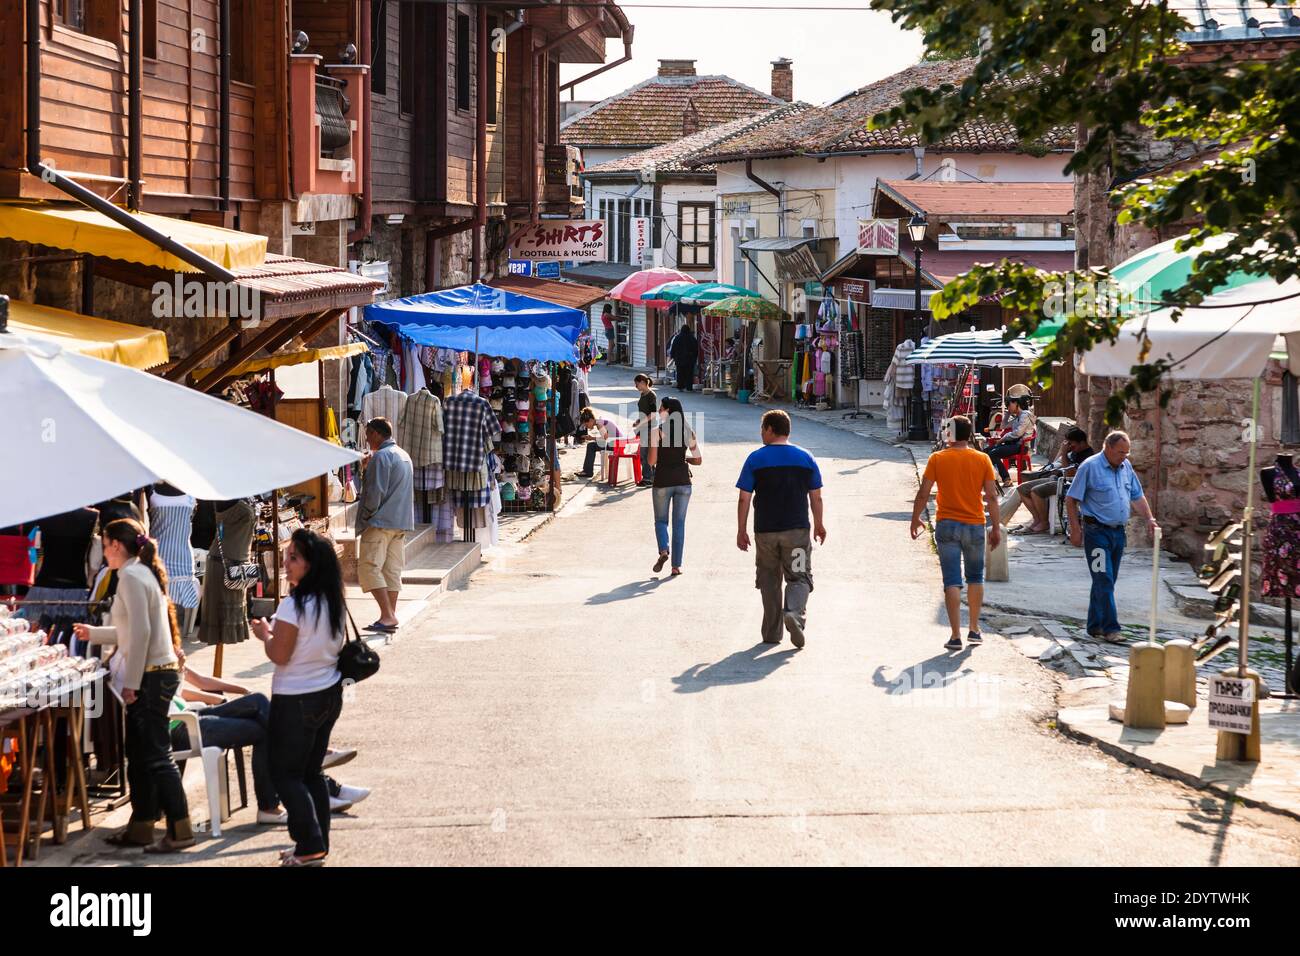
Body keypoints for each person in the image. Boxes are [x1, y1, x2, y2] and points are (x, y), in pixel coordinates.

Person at [74, 518, 195, 853]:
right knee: (139, 755)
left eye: (104, 542)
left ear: (116, 545)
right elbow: (132, 631)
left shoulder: (129, 575)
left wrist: (133, 683)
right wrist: (94, 633)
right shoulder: (138, 573)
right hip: (156, 671)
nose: (102, 551)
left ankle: (180, 828)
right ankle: (141, 825)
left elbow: (140, 633)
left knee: (155, 755)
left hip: (152, 674)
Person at [250, 528, 346, 867]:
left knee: (285, 774)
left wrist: (265, 634)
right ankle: (315, 845)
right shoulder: (332, 601)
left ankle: (308, 845)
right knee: (310, 773)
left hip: (297, 698)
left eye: (294, 558)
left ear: (311, 565)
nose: (286, 564)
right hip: (328, 694)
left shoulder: (294, 605)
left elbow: (280, 654)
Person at [169, 668, 369, 822]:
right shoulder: (152, 656)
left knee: (257, 701)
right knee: (266, 726)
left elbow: (195, 683)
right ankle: (315, 772)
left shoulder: (169, 648)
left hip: (194, 714)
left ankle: (275, 805)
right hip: (180, 725)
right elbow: (168, 694)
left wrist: (232, 694)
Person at [910, 415, 1003, 650]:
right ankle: (974, 629)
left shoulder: (937, 459)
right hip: (974, 524)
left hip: (947, 525)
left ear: (948, 433)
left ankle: (954, 635)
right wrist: (996, 527)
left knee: (951, 580)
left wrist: (915, 518)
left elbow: (923, 493)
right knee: (975, 577)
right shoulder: (982, 459)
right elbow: (991, 496)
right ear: (969, 434)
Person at [736, 410, 826, 648]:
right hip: (796, 533)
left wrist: (741, 530)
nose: (761, 433)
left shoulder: (755, 459)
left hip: (765, 533)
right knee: (798, 577)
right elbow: (815, 497)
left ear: (770, 429)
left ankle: (771, 633)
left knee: (769, 580)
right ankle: (794, 612)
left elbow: (744, 498)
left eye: (762, 429)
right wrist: (819, 524)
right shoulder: (806, 458)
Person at [1065, 430, 1159, 642]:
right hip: (1096, 532)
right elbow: (1071, 499)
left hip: (1118, 533)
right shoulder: (1089, 466)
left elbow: (1137, 496)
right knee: (1103, 578)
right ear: (1107, 448)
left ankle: (1094, 624)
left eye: (1127, 453)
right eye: (1120, 452)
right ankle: (1111, 628)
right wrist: (1075, 529)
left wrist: (1150, 519)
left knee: (1107, 580)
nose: (1124, 457)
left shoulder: (1126, 467)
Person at [356, 417, 413, 634]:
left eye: (369, 433)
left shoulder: (381, 456)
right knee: (391, 570)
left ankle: (387, 614)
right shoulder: (403, 455)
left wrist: (367, 517)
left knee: (369, 567)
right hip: (399, 523)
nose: (368, 438)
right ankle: (389, 614)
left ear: (378, 434)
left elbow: (374, 493)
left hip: (380, 522)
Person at [648, 396, 702, 576]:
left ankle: (664, 550)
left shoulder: (657, 432)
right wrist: (683, 458)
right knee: (679, 524)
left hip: (662, 480)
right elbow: (698, 460)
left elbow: (652, 461)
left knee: (661, 521)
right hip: (683, 482)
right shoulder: (688, 431)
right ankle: (676, 566)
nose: (659, 412)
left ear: (668, 411)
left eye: (661, 408)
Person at [1010, 427, 1095, 534]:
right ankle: (1038, 520)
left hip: (1069, 483)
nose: (1070, 447)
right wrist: (1062, 451)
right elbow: (1055, 464)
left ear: (1082, 443)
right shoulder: (1075, 450)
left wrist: (1064, 453)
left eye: (1072, 444)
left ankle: (1044, 523)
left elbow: (1069, 474)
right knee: (1022, 488)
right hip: (1057, 478)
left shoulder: (1087, 455)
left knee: (1036, 491)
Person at [984, 394, 1036, 486]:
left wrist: (1002, 439)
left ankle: (1006, 479)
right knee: (986, 452)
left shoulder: (1025, 415)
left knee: (993, 454)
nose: (1008, 406)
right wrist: (1007, 413)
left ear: (1016, 403)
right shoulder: (1017, 417)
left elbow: (1018, 433)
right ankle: (987, 478)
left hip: (1021, 446)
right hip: (1013, 445)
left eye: (1009, 404)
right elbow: (1003, 426)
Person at [573, 407, 626, 478]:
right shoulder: (600, 421)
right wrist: (593, 438)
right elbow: (606, 438)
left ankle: (587, 471)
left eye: (586, 425)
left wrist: (591, 438)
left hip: (616, 444)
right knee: (592, 445)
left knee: (591, 446)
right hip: (618, 443)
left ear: (591, 420)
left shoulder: (599, 424)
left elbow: (605, 439)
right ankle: (587, 471)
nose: (587, 427)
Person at [633, 373, 658, 487]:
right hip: (643, 427)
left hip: (650, 428)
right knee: (645, 453)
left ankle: (647, 478)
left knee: (645, 453)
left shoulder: (651, 395)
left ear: (643, 383)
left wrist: (642, 422)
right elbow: (644, 412)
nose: (636, 386)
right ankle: (652, 476)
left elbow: (653, 414)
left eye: (637, 384)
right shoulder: (642, 395)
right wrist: (639, 420)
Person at [670, 321, 699, 392]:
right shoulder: (692, 338)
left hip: (679, 359)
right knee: (689, 373)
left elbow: (673, 347)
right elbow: (696, 349)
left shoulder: (677, 338)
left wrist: (673, 356)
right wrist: (694, 358)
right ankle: (689, 387)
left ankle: (680, 386)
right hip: (689, 359)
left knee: (680, 373)